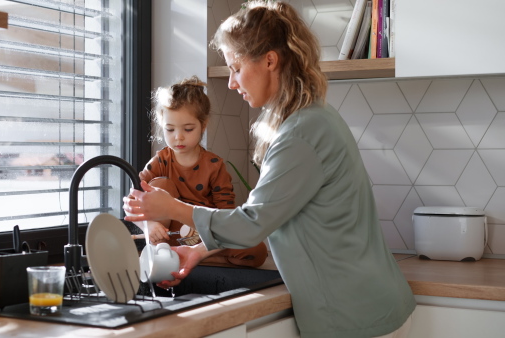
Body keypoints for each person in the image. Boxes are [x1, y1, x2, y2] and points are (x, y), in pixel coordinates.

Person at [124, 2, 415, 337]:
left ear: (270, 61)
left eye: (235, 67)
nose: (231, 82)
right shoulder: (310, 119)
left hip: (356, 315)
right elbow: (270, 215)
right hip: (364, 306)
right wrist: (198, 250)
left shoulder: (301, 133)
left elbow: (252, 224)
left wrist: (171, 208)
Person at [135, 75, 268, 268]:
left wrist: (211, 242)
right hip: (166, 238)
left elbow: (226, 216)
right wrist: (149, 226)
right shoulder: (160, 161)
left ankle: (193, 257)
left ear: (203, 126)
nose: (178, 137)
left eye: (188, 129)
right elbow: (134, 201)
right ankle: (171, 253)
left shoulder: (214, 165)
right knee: (159, 185)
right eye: (170, 130)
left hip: (205, 239)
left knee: (257, 251)